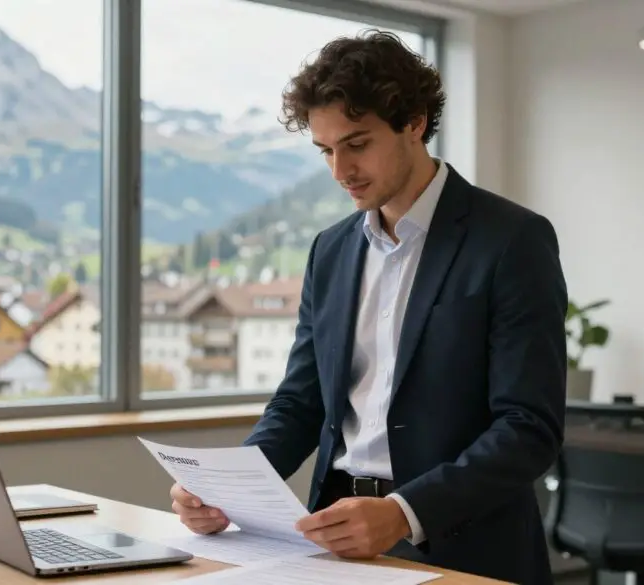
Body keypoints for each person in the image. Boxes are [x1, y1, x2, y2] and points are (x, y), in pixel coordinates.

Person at [169, 28, 567, 584]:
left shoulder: (510, 240)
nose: (340, 171)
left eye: (357, 145)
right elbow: (301, 402)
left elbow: (529, 428)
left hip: (461, 545)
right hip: (332, 536)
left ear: (415, 122)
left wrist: (405, 513)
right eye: (326, 151)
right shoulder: (330, 250)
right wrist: (223, 492)